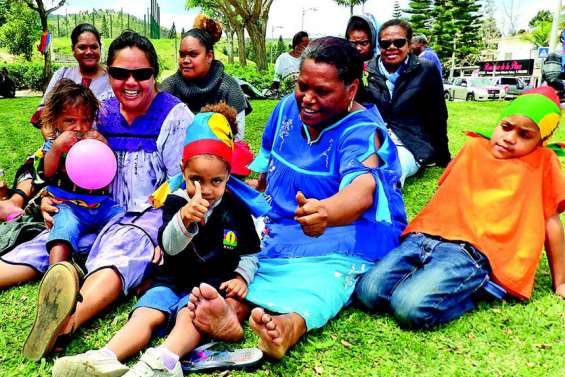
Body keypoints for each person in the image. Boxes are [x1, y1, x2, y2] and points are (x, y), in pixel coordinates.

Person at [186, 37, 407, 359]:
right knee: (245, 260)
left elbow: (362, 190)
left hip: (344, 231)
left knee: (326, 278)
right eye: (302, 86)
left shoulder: (362, 131)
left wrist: (327, 212)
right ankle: (232, 311)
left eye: (323, 91)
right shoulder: (287, 109)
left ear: (351, 89)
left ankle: (289, 326)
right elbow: (264, 169)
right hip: (282, 225)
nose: (308, 99)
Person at [0, 31, 193, 361]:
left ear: (154, 74)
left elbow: (184, 184)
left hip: (143, 218)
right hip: (94, 206)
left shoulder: (175, 117)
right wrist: (47, 196)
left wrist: (169, 232)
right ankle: (56, 289)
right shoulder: (97, 112)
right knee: (45, 246)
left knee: (119, 253)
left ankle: (65, 322)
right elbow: (59, 159)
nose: (130, 82)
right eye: (119, 73)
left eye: (141, 74)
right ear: (109, 73)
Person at [52, 104, 260, 377]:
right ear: (183, 170)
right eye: (196, 179)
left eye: (216, 181)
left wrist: (241, 277)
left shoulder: (237, 209)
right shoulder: (176, 202)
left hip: (211, 284)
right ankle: (105, 356)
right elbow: (170, 246)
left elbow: (250, 252)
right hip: (172, 277)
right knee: (146, 312)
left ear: (228, 175)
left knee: (192, 314)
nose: (206, 190)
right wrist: (184, 219)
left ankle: (165, 359)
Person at [355, 87, 565, 329]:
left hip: (471, 252)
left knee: (408, 309)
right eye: (506, 127)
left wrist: (560, 282)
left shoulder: (543, 163)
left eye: (524, 135)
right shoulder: (474, 148)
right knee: (367, 293)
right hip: (424, 237)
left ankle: (473, 289)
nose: (509, 138)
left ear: (541, 141)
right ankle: (440, 282)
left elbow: (551, 221)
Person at [0, 23, 114, 222]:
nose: (89, 51)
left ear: (100, 48)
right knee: (37, 162)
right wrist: (54, 140)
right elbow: (45, 111)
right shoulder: (62, 74)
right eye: (82, 47)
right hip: (61, 138)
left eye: (94, 47)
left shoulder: (111, 79)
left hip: (92, 145)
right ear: (73, 49)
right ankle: (16, 201)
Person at [34, 79, 124, 266]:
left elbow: (108, 167)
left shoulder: (94, 142)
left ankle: (108, 259)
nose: (79, 127)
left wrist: (103, 144)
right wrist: (58, 148)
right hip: (67, 205)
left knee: (121, 216)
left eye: (86, 120)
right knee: (64, 228)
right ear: (55, 121)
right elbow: (47, 172)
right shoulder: (53, 145)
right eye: (70, 121)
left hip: (100, 204)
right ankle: (57, 270)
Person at [364, 19, 450, 185]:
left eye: (399, 42)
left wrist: (443, 156)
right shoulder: (367, 70)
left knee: (389, 175)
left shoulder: (426, 70)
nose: (391, 47)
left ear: (409, 45)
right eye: (385, 43)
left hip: (408, 145)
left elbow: (437, 116)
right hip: (372, 140)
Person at [161, 15, 248, 138]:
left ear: (209, 56)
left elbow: (237, 141)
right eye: (182, 54)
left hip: (220, 155)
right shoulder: (168, 88)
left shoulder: (229, 88)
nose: (185, 60)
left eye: (193, 54)